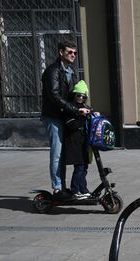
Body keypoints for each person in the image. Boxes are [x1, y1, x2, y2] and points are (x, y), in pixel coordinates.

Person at [40, 40, 90, 199]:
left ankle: (71, 187)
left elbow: (75, 96)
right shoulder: (52, 71)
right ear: (61, 52)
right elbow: (54, 97)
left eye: (75, 53)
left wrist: (86, 108)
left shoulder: (71, 72)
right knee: (57, 152)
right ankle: (57, 188)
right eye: (69, 52)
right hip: (53, 116)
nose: (73, 55)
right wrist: (75, 110)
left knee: (68, 152)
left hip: (66, 115)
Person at [63, 80, 97, 199]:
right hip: (74, 143)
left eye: (83, 96)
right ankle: (75, 190)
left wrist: (93, 114)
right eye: (78, 95)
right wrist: (81, 116)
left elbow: (89, 117)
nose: (80, 98)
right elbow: (71, 125)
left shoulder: (84, 107)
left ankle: (83, 189)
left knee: (84, 167)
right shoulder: (71, 108)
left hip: (83, 143)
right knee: (79, 167)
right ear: (74, 95)